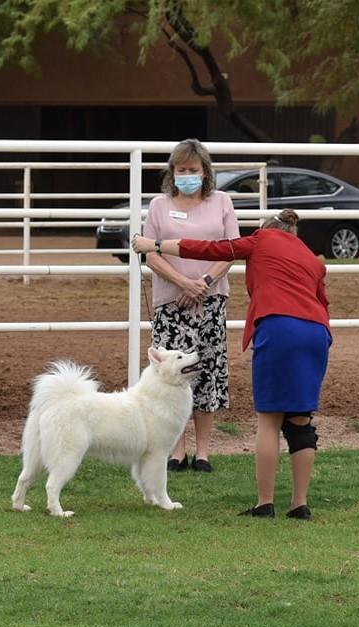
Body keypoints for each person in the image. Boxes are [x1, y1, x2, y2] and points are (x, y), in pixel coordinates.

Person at [132, 209, 331, 520]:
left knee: (269, 420)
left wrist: (154, 245)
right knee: (301, 421)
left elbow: (208, 249)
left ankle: (265, 503)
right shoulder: (312, 260)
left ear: (267, 228)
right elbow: (322, 301)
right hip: (316, 334)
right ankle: (299, 505)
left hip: (278, 328)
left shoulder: (261, 239)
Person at [142, 138, 240, 473]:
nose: (187, 175)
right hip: (171, 301)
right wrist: (183, 283)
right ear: (172, 172)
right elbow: (150, 252)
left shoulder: (222, 202)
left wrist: (203, 283)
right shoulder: (158, 206)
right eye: (181, 170)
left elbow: (231, 249)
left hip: (210, 300)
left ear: (205, 171)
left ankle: (203, 452)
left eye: (193, 170)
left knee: (207, 370)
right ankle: (176, 450)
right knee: (170, 373)